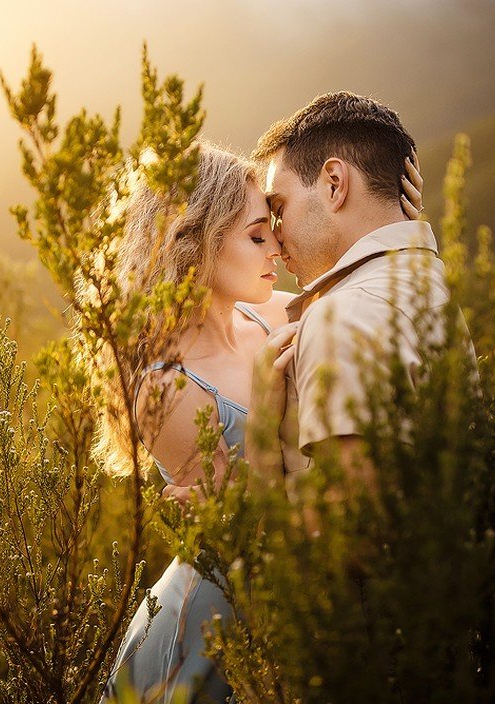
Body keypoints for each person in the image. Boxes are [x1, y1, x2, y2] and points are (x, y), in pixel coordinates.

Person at [99, 139, 423, 703]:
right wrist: (268, 413)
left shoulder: (269, 309)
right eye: (255, 236)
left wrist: (395, 227)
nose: (277, 245)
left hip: (305, 603)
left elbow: (360, 290)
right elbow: (247, 532)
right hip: (215, 622)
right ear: (191, 242)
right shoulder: (162, 384)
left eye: (272, 226)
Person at [251, 90, 459, 505]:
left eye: (279, 207)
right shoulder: (429, 286)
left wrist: (257, 452)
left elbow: (344, 543)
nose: (275, 235)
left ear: (333, 184)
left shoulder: (344, 316)